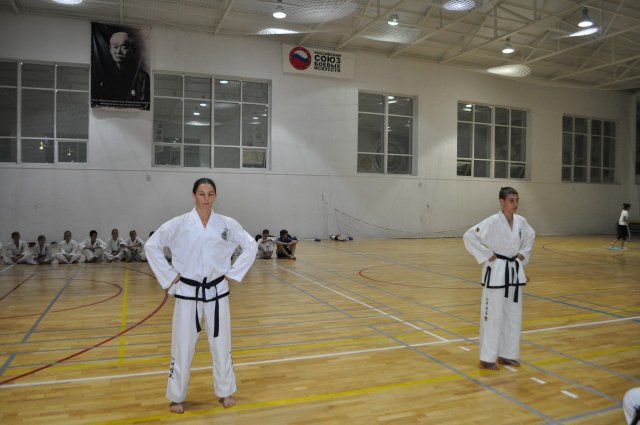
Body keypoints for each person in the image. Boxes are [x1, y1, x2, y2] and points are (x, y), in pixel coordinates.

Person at [144, 177, 257, 414]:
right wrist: (169, 275)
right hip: (188, 292)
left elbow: (251, 245)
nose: (206, 198)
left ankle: (225, 391)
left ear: (215, 196)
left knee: (222, 344)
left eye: (210, 194)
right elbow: (151, 245)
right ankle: (177, 396)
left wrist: (233, 274)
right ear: (194, 195)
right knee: (182, 346)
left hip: (217, 292)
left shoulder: (226, 224)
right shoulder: (179, 224)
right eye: (201, 193)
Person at [463, 187, 535, 370]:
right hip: (496, 271)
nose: (515, 204)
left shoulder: (521, 221)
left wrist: (522, 256)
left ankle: (508, 355)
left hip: (513, 270)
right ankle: (487, 358)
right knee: (493, 316)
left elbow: (531, 236)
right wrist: (487, 254)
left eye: (517, 200)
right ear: (502, 201)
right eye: (511, 200)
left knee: (513, 315)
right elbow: (469, 236)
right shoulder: (492, 221)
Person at [93, 29, 150, 105]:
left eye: (124, 47)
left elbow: (143, 105)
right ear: (110, 49)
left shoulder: (143, 77)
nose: (118, 52)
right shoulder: (103, 74)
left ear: (133, 50)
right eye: (115, 47)